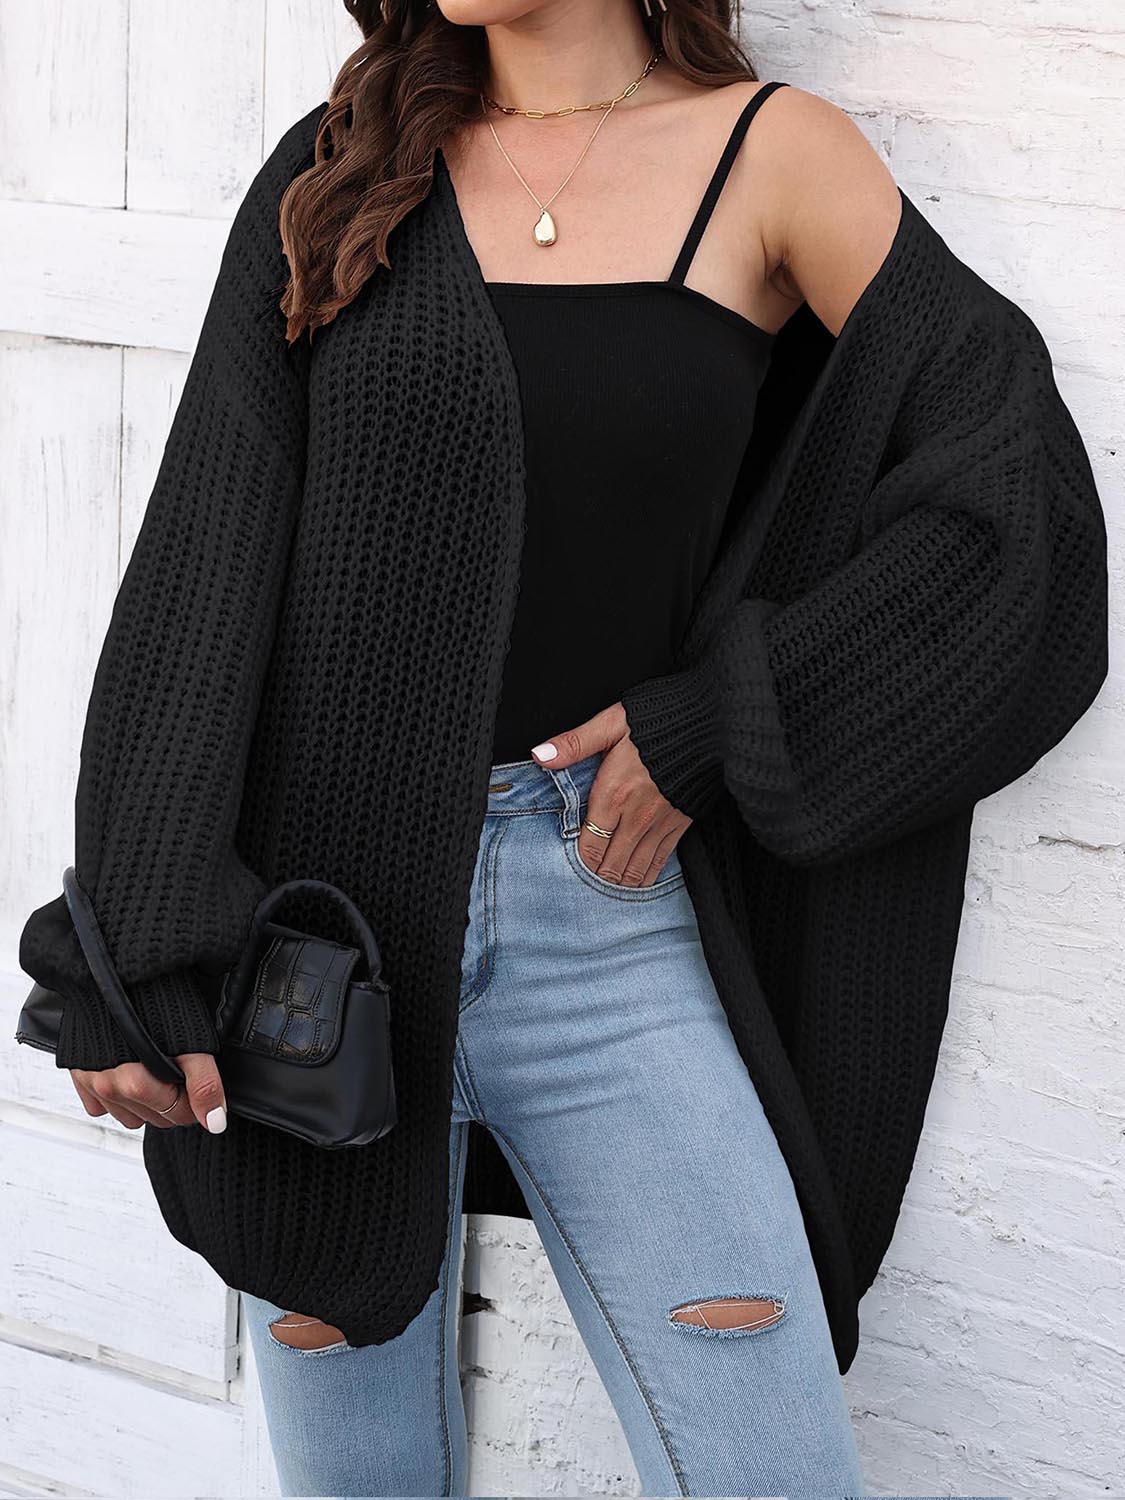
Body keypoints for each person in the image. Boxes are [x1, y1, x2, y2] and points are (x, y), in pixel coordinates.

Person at [17, 1, 1108, 1496]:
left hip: (602, 916)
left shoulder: (775, 160)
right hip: (316, 953)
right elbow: (205, 571)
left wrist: (714, 722)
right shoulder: (347, 162)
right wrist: (133, 953)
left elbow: (1015, 499)